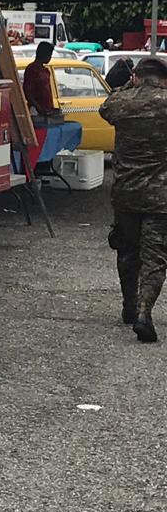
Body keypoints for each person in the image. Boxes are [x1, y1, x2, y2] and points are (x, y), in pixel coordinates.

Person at [100, 57, 167, 343]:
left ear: (136, 76)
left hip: (125, 193)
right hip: (160, 196)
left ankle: (128, 305)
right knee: (155, 256)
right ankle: (144, 311)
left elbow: (105, 107)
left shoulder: (121, 102)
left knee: (127, 251)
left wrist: (129, 85)